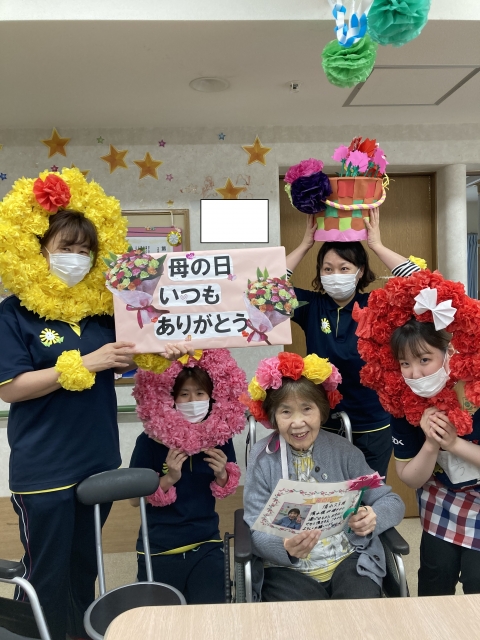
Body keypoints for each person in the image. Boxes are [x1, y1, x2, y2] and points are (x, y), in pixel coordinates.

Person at [0, 170, 192, 640]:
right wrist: (86, 363)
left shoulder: (106, 310)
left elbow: (134, 353)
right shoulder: (12, 314)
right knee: (46, 573)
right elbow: (12, 388)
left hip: (97, 461)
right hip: (43, 468)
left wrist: (164, 348)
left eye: (86, 250)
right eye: (66, 247)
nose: (77, 258)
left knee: (85, 564)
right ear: (40, 250)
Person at [243, 352, 404, 601]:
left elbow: (391, 501)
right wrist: (283, 547)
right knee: (304, 614)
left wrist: (374, 517)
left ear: (321, 411)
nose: (298, 422)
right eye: (286, 412)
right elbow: (254, 527)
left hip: (348, 558)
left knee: (360, 606)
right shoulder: (262, 458)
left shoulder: (343, 451)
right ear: (273, 416)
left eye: (307, 409)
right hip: (285, 568)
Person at [286, 208, 420, 477]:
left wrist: (377, 245)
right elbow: (263, 289)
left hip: (372, 424)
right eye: (328, 269)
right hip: (322, 422)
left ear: (360, 272)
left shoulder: (376, 304)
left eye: (344, 268)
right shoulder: (310, 305)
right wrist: (305, 245)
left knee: (366, 492)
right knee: (327, 493)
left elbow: (420, 283)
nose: (335, 274)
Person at [129, 349, 247, 604]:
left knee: (210, 612)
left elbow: (225, 486)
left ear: (211, 396)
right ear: (172, 399)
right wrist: (168, 478)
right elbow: (133, 499)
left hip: (206, 540)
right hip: (159, 546)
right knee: (163, 617)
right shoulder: (149, 441)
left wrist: (221, 474)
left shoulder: (219, 438)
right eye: (184, 394)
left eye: (200, 393)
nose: (193, 401)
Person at [390, 319, 480, 596]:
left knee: (477, 580)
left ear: (449, 352)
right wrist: (431, 444)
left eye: (425, 360)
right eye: (405, 363)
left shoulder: (474, 388)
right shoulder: (402, 403)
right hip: (441, 500)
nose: (415, 373)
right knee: (435, 578)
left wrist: (453, 443)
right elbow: (410, 478)